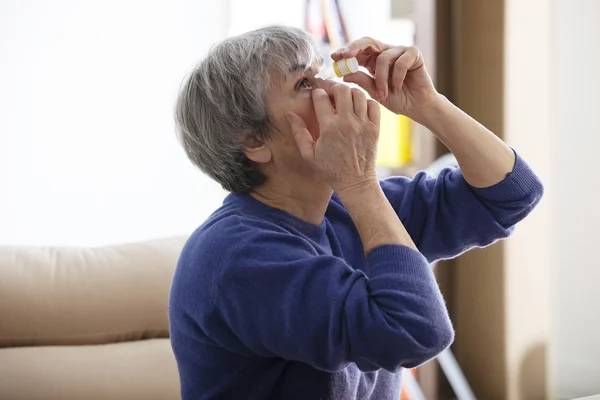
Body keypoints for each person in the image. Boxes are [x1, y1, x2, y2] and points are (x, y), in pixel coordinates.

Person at [168, 25, 543, 400]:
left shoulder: (342, 209)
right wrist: (358, 181)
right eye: (303, 84)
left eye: (321, 73)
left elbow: (511, 193)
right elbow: (415, 333)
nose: (336, 89)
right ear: (254, 141)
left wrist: (427, 104)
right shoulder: (237, 257)